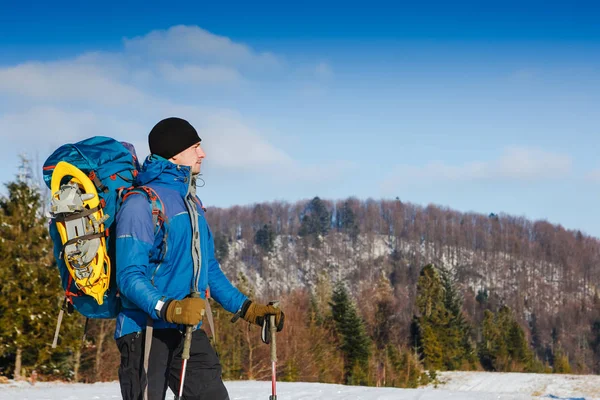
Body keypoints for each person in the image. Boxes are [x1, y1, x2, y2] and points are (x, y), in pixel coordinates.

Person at [114, 117, 284, 400]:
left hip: (187, 332)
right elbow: (129, 277)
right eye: (195, 147)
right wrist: (170, 308)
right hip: (144, 331)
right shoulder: (140, 204)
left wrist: (248, 309)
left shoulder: (192, 204)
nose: (202, 153)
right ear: (174, 152)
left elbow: (209, 271)